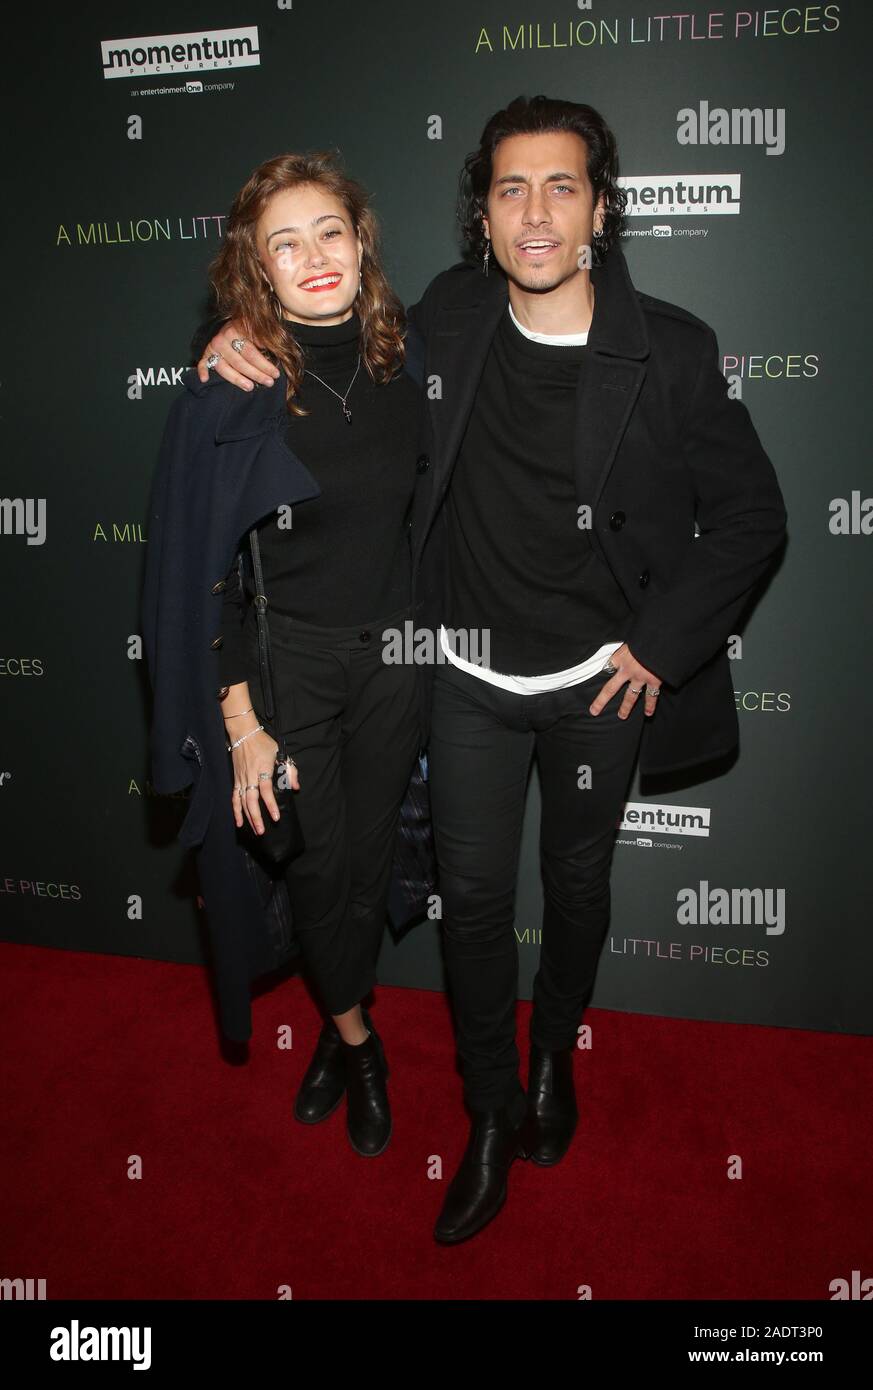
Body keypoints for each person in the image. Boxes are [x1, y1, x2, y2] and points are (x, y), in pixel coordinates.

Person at [197, 96, 788, 1244]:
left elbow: (755, 519)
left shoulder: (671, 349)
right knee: (472, 905)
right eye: (511, 187)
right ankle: (487, 1106)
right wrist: (231, 338)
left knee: (572, 894)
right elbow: (330, 353)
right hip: (463, 675)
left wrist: (663, 645)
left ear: (600, 210)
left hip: (597, 688)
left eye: (561, 186)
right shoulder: (451, 318)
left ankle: (553, 1061)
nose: (535, 212)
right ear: (482, 213)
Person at [147, 150, 425, 1160]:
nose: (314, 257)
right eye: (285, 243)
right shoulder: (238, 387)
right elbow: (199, 573)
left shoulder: (410, 358)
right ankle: (360, 1043)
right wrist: (240, 723)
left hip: (399, 660)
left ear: (362, 243)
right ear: (257, 270)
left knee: (364, 860)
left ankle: (334, 1012)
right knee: (312, 860)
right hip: (290, 665)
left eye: (331, 233)